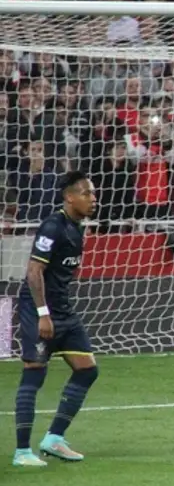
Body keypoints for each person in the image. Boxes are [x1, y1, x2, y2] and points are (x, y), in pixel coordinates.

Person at [12, 171, 100, 467]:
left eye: (93, 193)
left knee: (87, 369)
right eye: (87, 193)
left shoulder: (76, 228)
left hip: (63, 310)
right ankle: (22, 452)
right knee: (34, 372)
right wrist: (42, 314)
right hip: (39, 309)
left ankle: (53, 439)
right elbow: (33, 271)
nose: (93, 199)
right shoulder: (53, 227)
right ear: (69, 197)